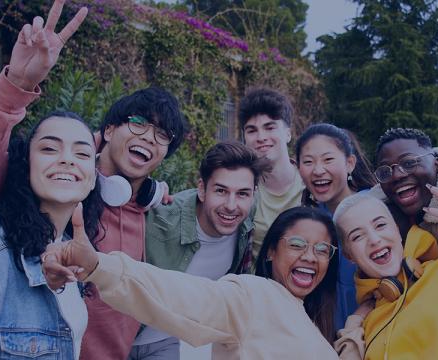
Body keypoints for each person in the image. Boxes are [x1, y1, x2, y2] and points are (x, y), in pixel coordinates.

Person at [0, 1, 186, 359]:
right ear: (106, 132)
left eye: (163, 134)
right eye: (138, 123)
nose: (150, 137)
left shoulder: (155, 214)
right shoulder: (4, 235)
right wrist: (17, 84)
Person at [42, 206, 340, 359]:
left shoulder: (312, 322)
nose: (311, 257)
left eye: (323, 250)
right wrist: (99, 265)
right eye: (298, 244)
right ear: (272, 251)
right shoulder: (252, 296)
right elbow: (180, 295)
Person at [0, 110, 104, 359]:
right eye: (49, 149)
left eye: (82, 153)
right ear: (26, 165)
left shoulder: (71, 249)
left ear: (92, 179)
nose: (67, 160)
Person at [130, 141, 271, 359]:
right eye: (221, 191)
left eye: (242, 194)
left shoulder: (246, 221)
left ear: (253, 194)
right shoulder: (161, 219)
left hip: (168, 340)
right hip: (121, 333)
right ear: (202, 190)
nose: (231, 205)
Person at [333, 193, 438, 359]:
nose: (374, 239)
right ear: (349, 256)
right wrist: (353, 325)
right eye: (357, 236)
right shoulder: (364, 327)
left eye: (380, 225)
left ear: (397, 232)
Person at [295, 123, 376, 329]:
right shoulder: (310, 219)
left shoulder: (374, 209)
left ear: (350, 163)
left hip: (374, 330)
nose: (318, 170)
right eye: (308, 162)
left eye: (328, 159)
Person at [238, 88, 305, 260]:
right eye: (252, 130)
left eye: (269, 127)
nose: (261, 137)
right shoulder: (242, 189)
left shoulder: (311, 185)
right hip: (254, 284)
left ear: (288, 133)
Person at [371, 128, 438, 253]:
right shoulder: (380, 218)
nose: (396, 176)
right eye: (385, 171)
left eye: (409, 163)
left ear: (436, 162)